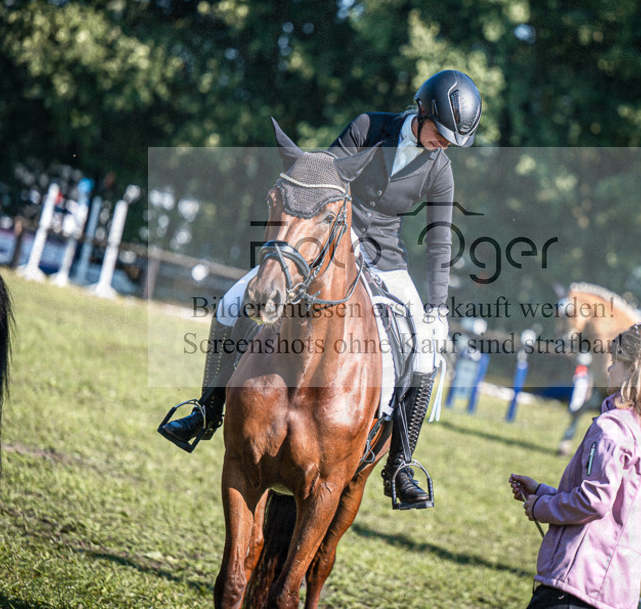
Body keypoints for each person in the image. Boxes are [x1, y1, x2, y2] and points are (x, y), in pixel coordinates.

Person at [158, 69, 483, 510]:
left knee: (425, 346)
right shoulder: (369, 127)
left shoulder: (440, 169)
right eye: (440, 133)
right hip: (330, 245)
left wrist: (438, 308)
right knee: (234, 301)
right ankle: (206, 410)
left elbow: (441, 238)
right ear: (422, 109)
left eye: (451, 141)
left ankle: (401, 464)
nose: (443, 144)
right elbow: (319, 181)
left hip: (386, 258)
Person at [509, 323, 641, 609]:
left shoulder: (612, 428)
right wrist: (543, 492)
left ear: (632, 369)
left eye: (615, 361)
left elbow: (593, 501)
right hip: (617, 593)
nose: (609, 368)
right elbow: (613, 510)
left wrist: (540, 507)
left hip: (575, 588)